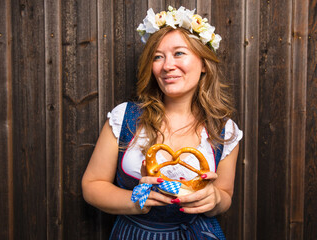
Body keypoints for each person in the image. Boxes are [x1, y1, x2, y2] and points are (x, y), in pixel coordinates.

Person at [82, 6, 243, 240]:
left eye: (179, 53)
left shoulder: (224, 131)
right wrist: (135, 201)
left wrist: (216, 200)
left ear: (204, 64)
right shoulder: (125, 118)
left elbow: (225, 194)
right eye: (158, 56)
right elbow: (92, 185)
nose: (167, 66)